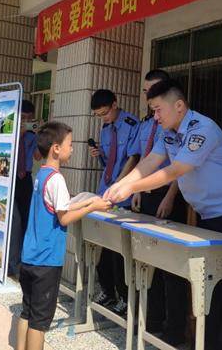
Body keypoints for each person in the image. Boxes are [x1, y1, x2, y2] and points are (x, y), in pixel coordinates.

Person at [105, 79, 222, 350]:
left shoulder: (202, 129)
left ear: (179, 106)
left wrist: (130, 187)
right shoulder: (168, 132)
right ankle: (209, 345)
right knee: (210, 285)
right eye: (152, 111)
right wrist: (121, 184)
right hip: (208, 215)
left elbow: (175, 170)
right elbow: (151, 161)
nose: (155, 117)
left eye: (158, 110)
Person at [16, 122, 111, 350]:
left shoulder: (42, 174)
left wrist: (87, 201)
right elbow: (64, 218)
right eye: (70, 144)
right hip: (46, 260)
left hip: (30, 257)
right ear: (56, 148)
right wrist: (92, 207)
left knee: (27, 312)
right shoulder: (57, 179)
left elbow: (61, 206)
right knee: (40, 322)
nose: (72, 148)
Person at [130, 69, 188, 345]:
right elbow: (145, 160)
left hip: (169, 197)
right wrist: (135, 190)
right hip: (147, 194)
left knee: (171, 266)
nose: (148, 97)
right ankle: (151, 320)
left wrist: (170, 196)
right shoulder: (149, 125)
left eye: (153, 91)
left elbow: (179, 168)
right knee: (148, 259)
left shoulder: (185, 127)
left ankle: (174, 329)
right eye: (145, 92)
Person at [89, 89, 140, 315]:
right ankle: (108, 291)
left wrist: (119, 184)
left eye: (105, 113)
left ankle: (125, 298)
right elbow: (109, 161)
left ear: (115, 104)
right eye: (99, 115)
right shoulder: (105, 129)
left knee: (121, 252)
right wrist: (99, 153)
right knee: (105, 246)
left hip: (124, 193)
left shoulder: (132, 124)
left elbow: (134, 158)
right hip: (106, 192)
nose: (103, 118)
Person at [9, 100, 42, 278]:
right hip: (10, 178)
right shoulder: (8, 131)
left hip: (26, 179)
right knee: (14, 221)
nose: (26, 121)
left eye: (30, 118)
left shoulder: (32, 135)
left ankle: (21, 261)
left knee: (25, 220)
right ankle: (12, 264)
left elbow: (37, 157)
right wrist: (19, 133)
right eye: (23, 118)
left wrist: (40, 135)